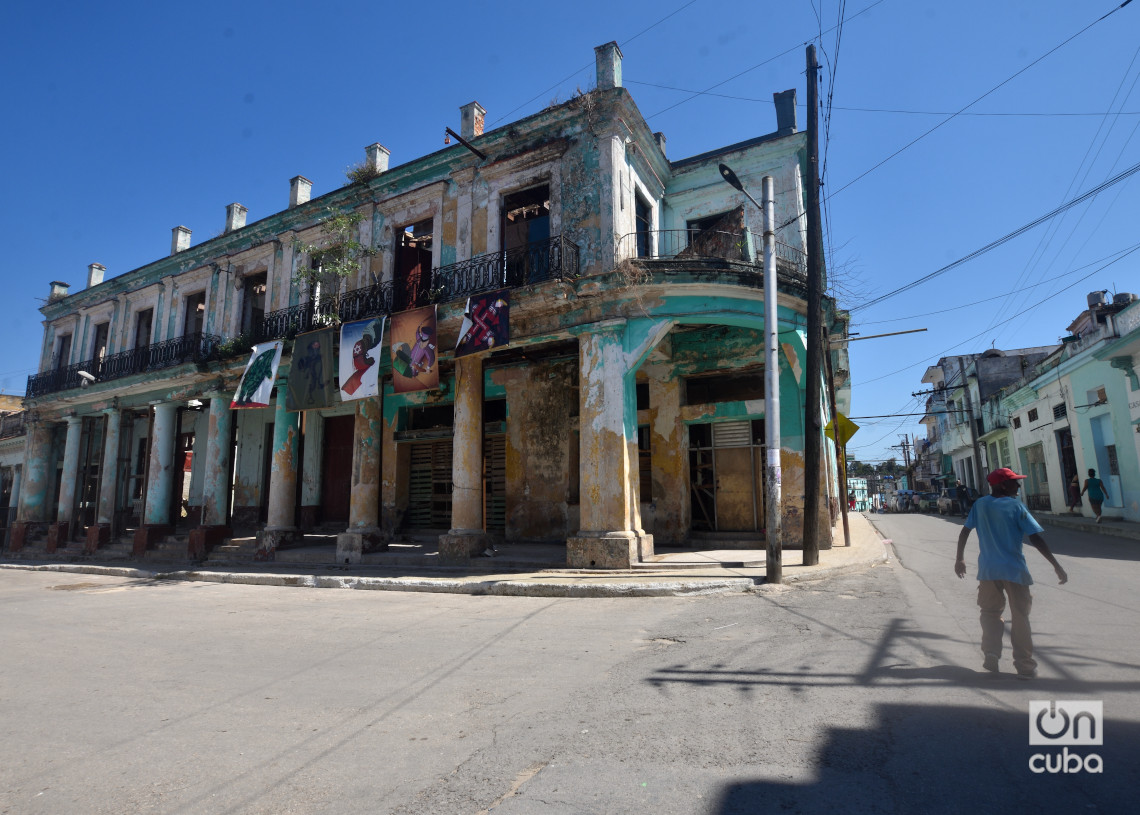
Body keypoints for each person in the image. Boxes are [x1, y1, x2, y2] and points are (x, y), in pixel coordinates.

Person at [954, 467, 1068, 679]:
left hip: (988, 570)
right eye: (1015, 482)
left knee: (989, 613)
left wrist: (959, 558)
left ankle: (991, 653)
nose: (1018, 486)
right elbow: (1035, 537)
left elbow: (965, 531)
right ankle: (1024, 665)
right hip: (1014, 571)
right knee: (1020, 616)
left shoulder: (980, 505)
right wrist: (1056, 564)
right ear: (1004, 485)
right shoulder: (1015, 506)